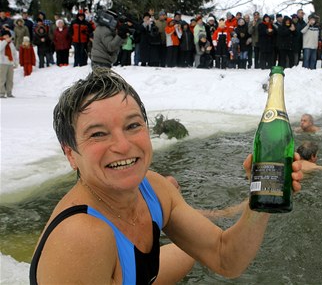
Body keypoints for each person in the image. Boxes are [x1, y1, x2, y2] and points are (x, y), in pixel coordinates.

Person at [28, 68, 304, 284]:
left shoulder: (153, 189)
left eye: (133, 125)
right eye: (98, 133)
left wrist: (262, 194)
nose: (123, 146)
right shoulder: (82, 237)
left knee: (191, 253)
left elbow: (225, 257)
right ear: (70, 154)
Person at [0, 29, 18, 98]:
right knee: (2, 79)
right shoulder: (1, 41)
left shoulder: (11, 44)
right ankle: (1, 93)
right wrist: (5, 41)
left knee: (10, 79)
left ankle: (9, 92)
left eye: (8, 35)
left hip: (10, 63)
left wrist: (16, 62)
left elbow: (14, 54)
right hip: (2, 63)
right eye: (5, 35)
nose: (7, 36)